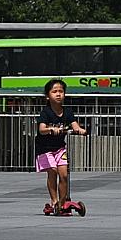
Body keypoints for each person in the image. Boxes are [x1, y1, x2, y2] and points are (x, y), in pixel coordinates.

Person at [35, 78, 86, 215]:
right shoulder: (46, 112)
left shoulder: (67, 112)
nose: (58, 94)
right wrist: (51, 129)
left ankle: (62, 204)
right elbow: (41, 129)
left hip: (59, 148)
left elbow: (74, 124)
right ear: (48, 96)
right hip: (45, 149)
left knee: (63, 174)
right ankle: (54, 201)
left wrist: (80, 130)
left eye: (61, 91)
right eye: (54, 91)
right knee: (53, 171)